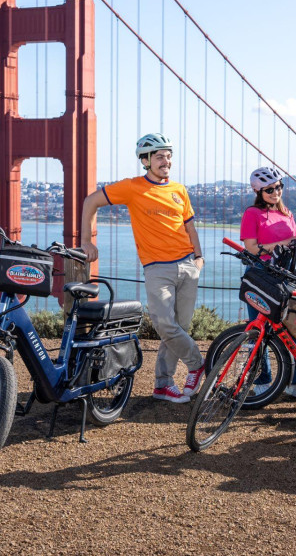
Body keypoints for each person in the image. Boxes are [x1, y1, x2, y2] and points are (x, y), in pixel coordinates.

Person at [80, 133, 205, 404]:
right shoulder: (132, 187)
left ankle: (162, 385)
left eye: (169, 156)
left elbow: (190, 226)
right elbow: (90, 202)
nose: (166, 161)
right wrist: (86, 241)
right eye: (160, 156)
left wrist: (199, 259)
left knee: (180, 327)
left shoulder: (179, 190)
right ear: (145, 160)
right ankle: (197, 364)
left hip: (187, 264)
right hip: (157, 268)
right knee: (164, 324)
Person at [240, 166, 296, 400]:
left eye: (279, 187)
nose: (275, 192)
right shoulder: (252, 213)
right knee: (258, 331)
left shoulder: (287, 212)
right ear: (258, 191)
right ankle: (262, 382)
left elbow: (290, 243)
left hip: (285, 275)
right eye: (269, 189)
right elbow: (251, 248)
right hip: (261, 274)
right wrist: (287, 241)